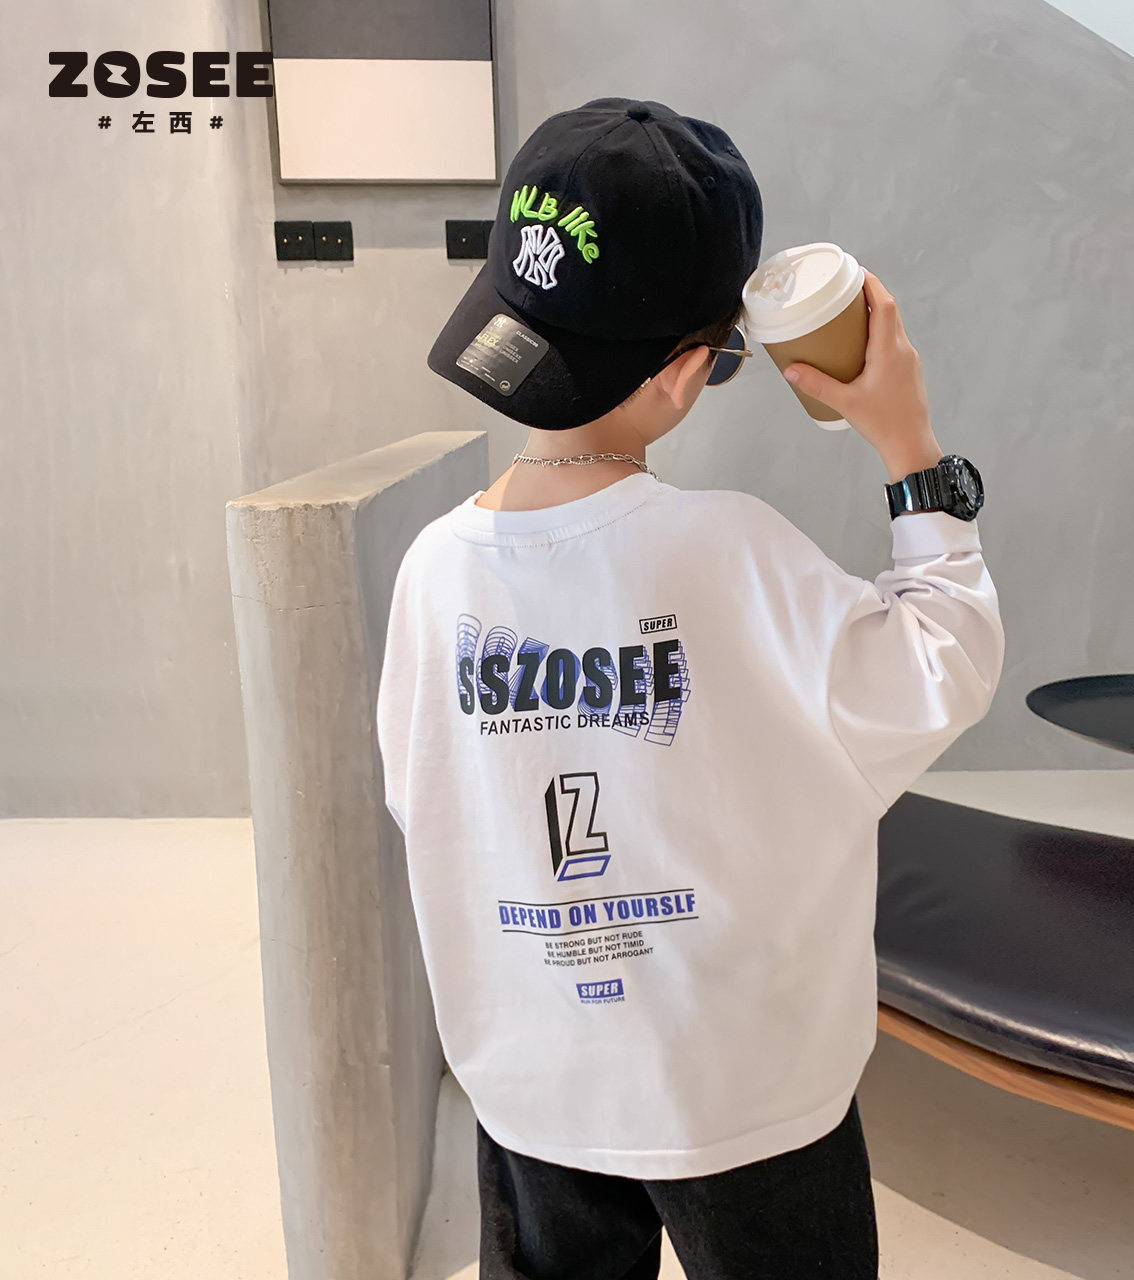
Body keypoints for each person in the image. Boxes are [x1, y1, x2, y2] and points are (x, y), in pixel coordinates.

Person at [376, 96, 1004, 1280]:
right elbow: (943, 662)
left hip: (532, 1074)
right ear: (683, 374)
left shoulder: (430, 571)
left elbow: (425, 803)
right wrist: (907, 443)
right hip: (742, 1090)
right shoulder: (728, 552)